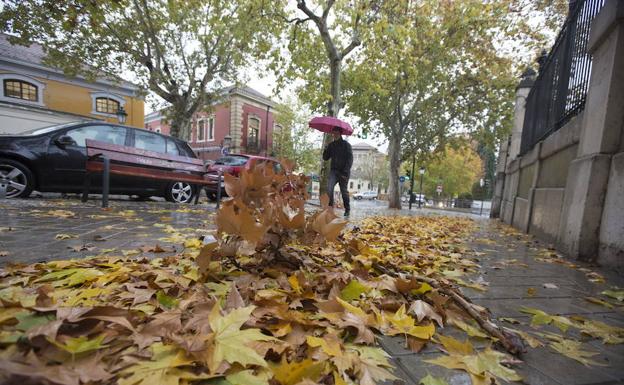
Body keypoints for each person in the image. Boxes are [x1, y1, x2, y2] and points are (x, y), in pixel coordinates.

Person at [323, 126, 353, 217]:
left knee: (343, 191)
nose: (334, 135)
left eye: (336, 133)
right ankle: (330, 208)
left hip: (343, 172)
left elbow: (350, 159)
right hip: (334, 172)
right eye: (333, 133)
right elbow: (325, 158)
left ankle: (347, 209)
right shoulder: (331, 145)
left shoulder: (346, 145)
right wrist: (325, 149)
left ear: (340, 134)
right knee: (329, 188)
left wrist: (345, 172)